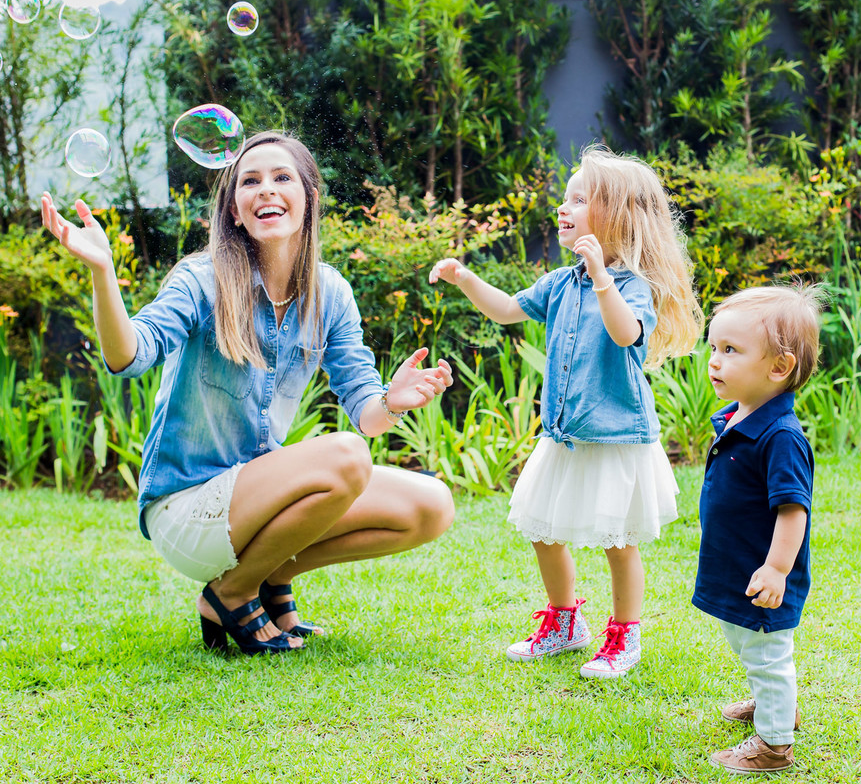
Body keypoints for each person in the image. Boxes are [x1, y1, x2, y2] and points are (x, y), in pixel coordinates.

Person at [40, 131, 456, 656]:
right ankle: (230, 592)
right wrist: (104, 273)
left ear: (308, 199)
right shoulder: (201, 280)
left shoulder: (331, 295)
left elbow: (367, 415)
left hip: (259, 507)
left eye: (282, 178)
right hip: (187, 510)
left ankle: (268, 575)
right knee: (348, 456)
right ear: (235, 210)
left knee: (432, 505)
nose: (266, 190)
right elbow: (130, 356)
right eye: (250, 181)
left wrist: (393, 400)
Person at [429, 145, 703, 678]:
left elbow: (628, 335)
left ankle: (624, 635)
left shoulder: (629, 286)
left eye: (578, 198)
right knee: (542, 527)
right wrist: (465, 278)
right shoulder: (559, 283)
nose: (563, 207)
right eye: (565, 197)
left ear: (617, 216)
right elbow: (509, 309)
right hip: (565, 433)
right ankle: (564, 620)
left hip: (616, 436)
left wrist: (602, 276)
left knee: (617, 540)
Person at [694, 285, 822, 774]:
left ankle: (773, 742)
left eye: (730, 350)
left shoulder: (781, 437)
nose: (715, 361)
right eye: (713, 348)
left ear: (778, 367)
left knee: (768, 653)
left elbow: (793, 511)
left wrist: (776, 568)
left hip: (763, 575)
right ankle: (772, 703)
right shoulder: (738, 416)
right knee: (746, 642)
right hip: (736, 565)